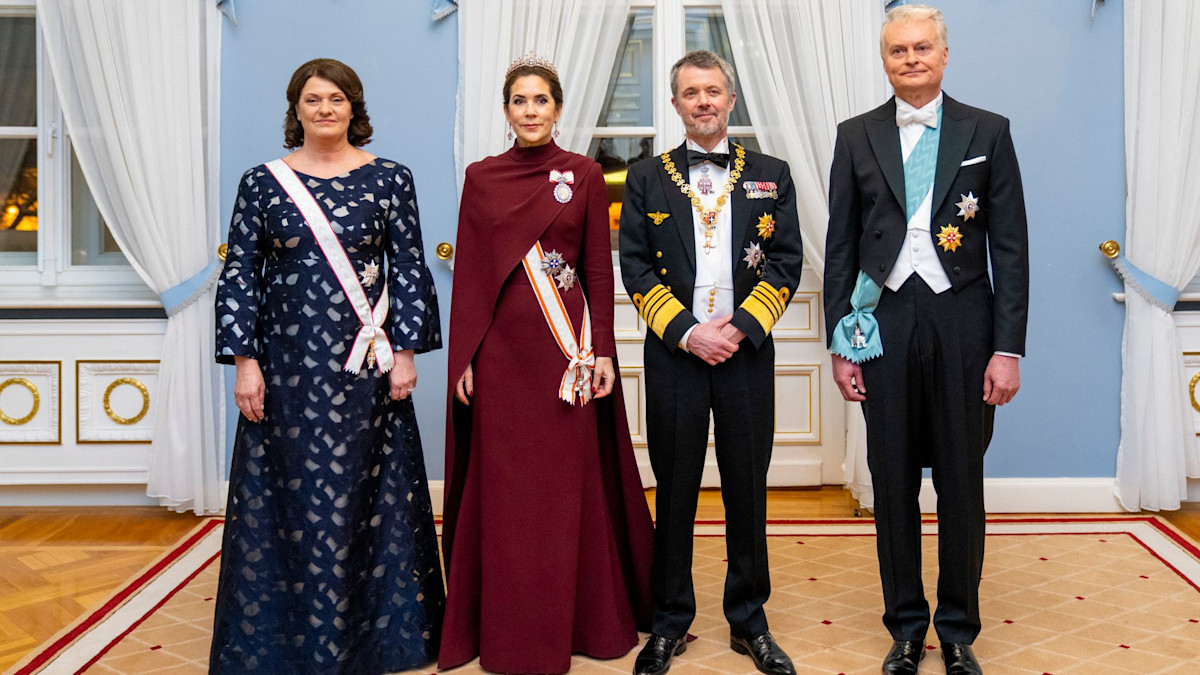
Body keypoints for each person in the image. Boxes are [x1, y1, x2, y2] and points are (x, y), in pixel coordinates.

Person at [211, 58, 444, 674]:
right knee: (290, 500)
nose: (324, 109)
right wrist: (244, 363)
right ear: (296, 109)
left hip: (365, 366)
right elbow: (240, 278)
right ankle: (290, 642)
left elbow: (411, 269)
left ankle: (379, 640)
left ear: (353, 108)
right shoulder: (261, 183)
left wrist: (406, 353)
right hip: (285, 371)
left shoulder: (391, 178)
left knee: (368, 496)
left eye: (335, 99)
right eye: (311, 100)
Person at [824, 6, 1029, 675]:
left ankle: (959, 629)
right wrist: (841, 342)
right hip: (881, 322)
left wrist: (1008, 347)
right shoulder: (855, 135)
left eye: (921, 47)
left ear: (944, 53)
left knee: (962, 481)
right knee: (891, 481)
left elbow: (1011, 248)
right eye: (897, 50)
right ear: (884, 61)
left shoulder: (988, 131)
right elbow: (841, 247)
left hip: (965, 321)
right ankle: (907, 628)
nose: (910, 59)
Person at [439, 52, 654, 674]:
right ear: (506, 110)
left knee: (565, 494)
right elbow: (474, 277)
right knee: (510, 497)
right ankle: (507, 629)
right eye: (519, 101)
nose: (530, 111)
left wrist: (605, 351)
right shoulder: (481, 177)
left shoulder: (584, 173)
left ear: (557, 109)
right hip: (503, 358)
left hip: (568, 356)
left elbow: (595, 267)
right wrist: (465, 360)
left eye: (541, 101)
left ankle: (585, 620)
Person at [618, 50, 804, 675]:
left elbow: (785, 262)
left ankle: (749, 621)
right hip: (676, 353)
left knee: (748, 487)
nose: (703, 101)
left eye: (714, 91)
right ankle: (669, 623)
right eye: (691, 92)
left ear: (730, 102)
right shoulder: (645, 176)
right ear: (675, 104)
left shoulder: (773, 173)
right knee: (673, 489)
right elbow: (635, 267)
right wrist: (689, 332)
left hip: (746, 352)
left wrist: (741, 329)